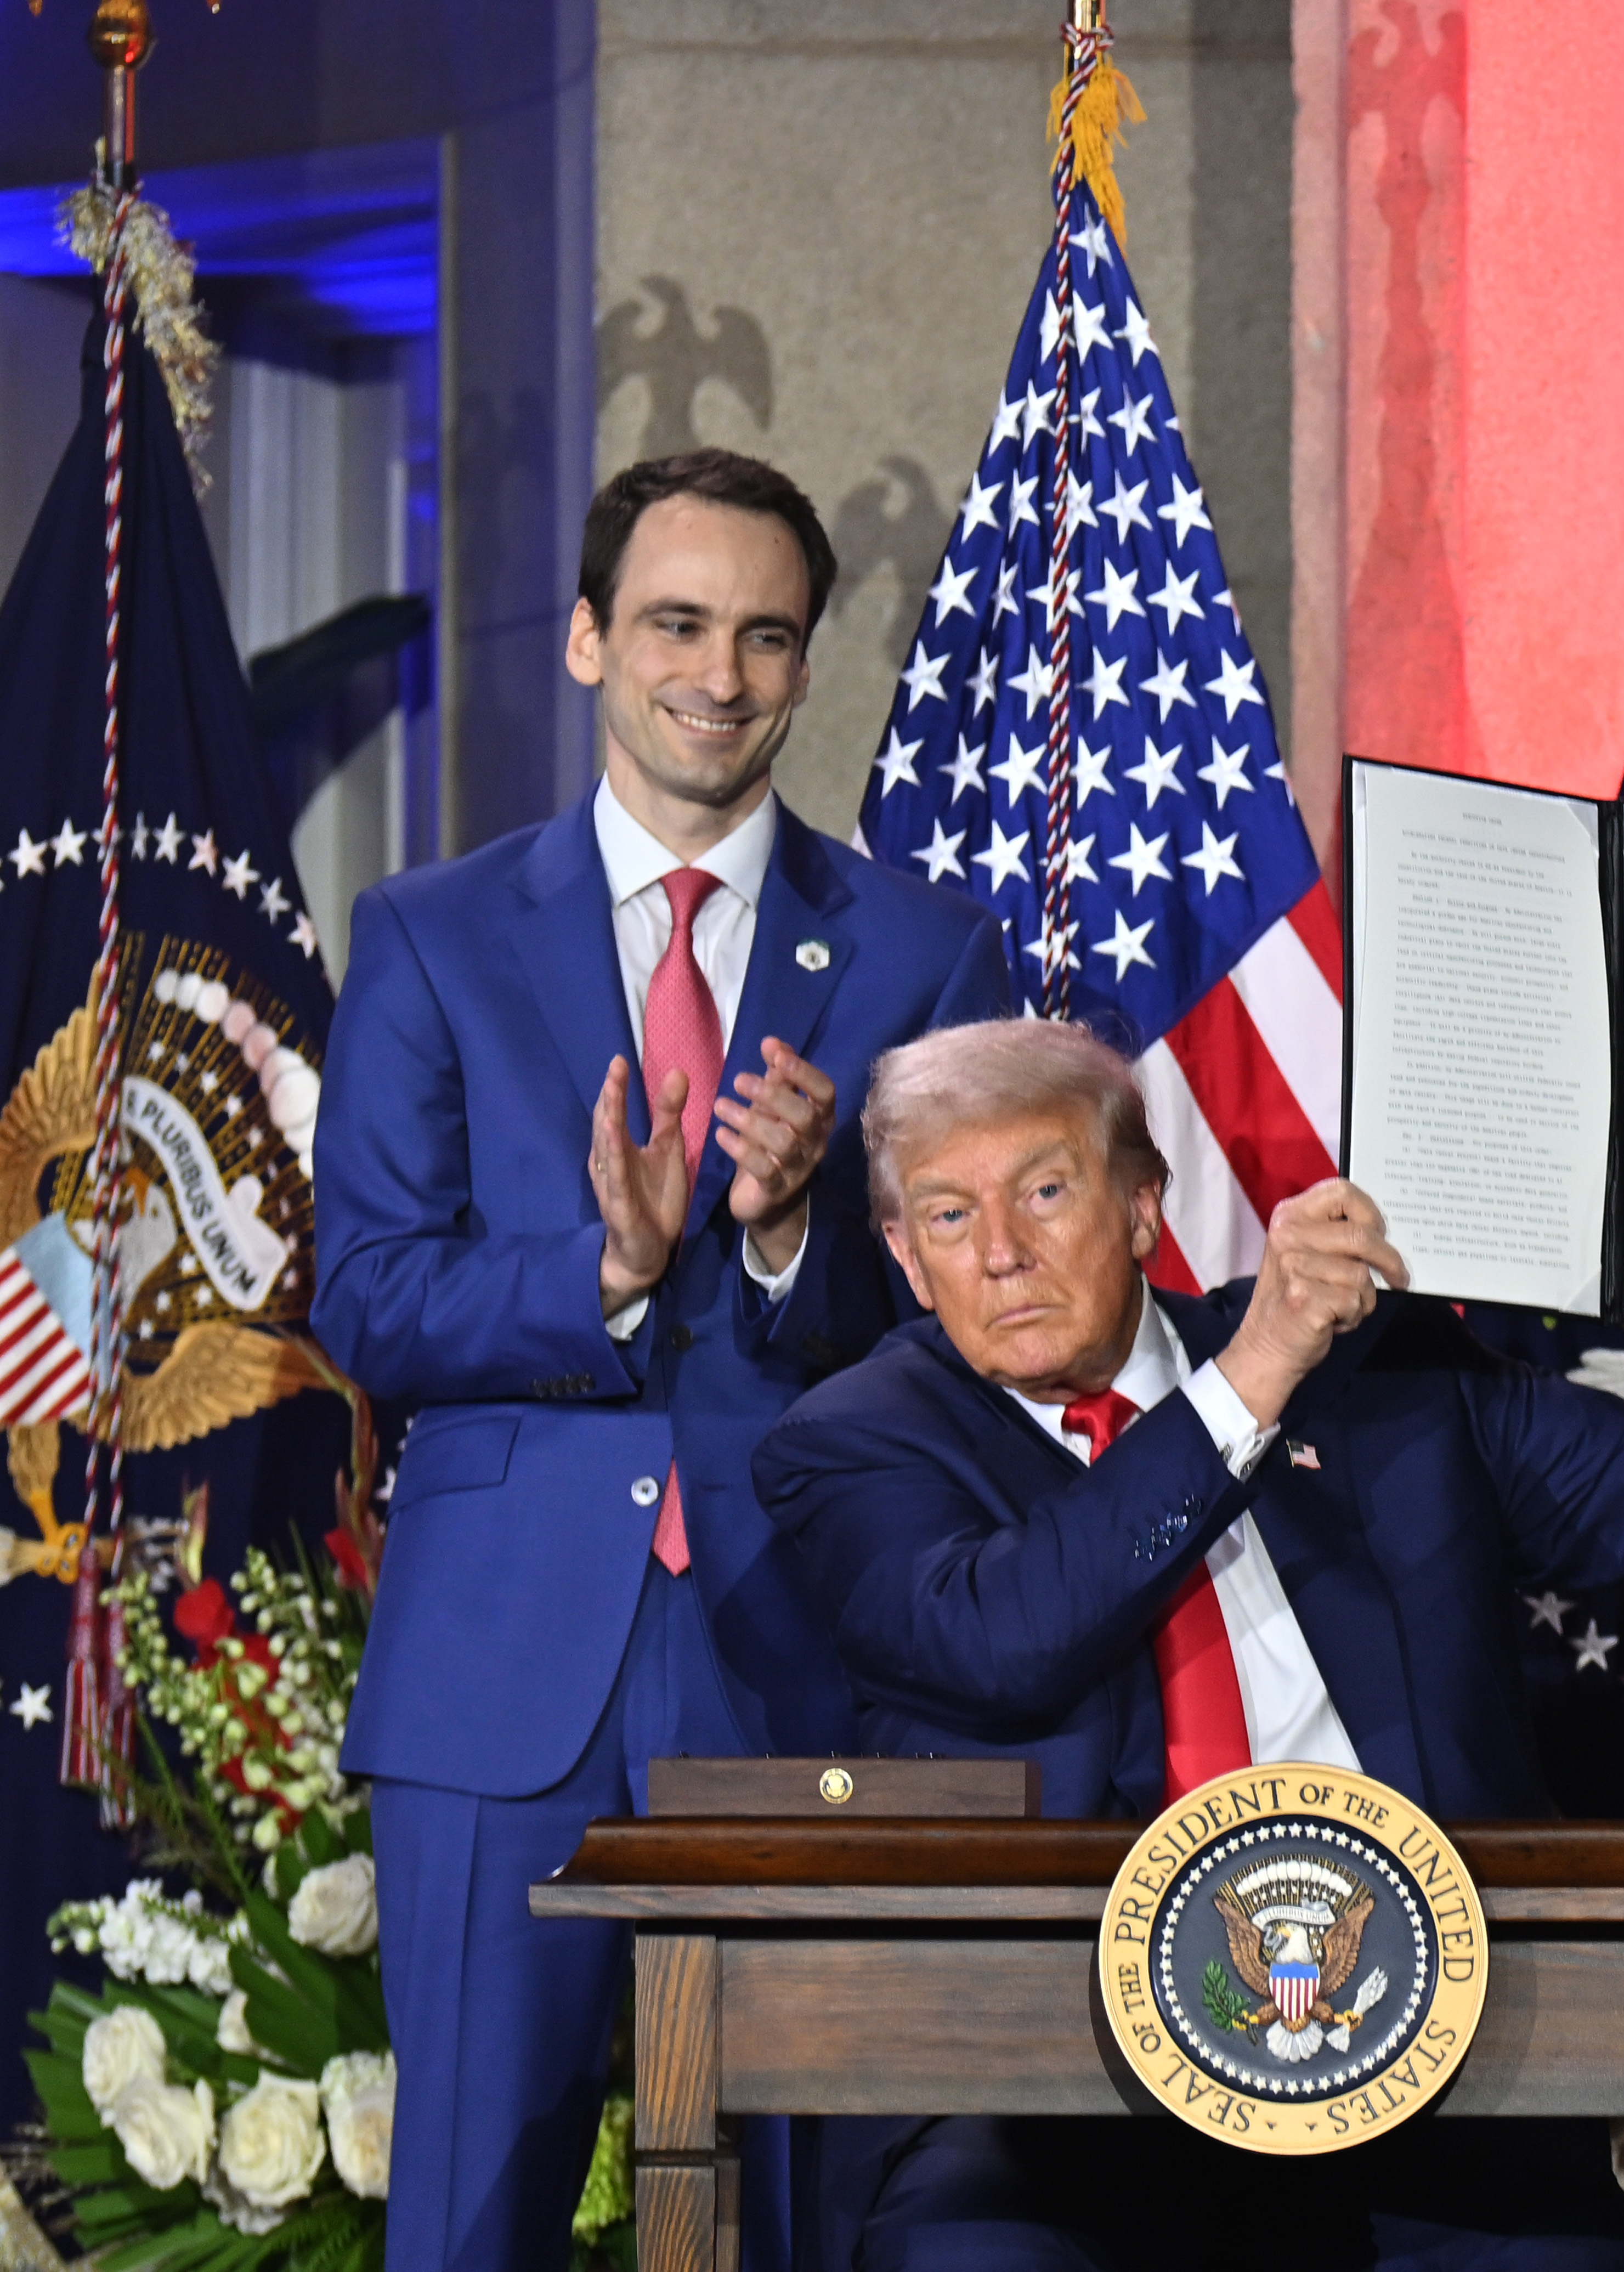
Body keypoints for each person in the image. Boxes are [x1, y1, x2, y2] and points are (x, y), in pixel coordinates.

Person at [751, 1016, 1624, 2270]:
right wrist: (1248, 1380)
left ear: (1144, 1207)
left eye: (1044, 1191)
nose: (1001, 1254)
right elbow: (1006, 1637)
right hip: (1055, 2101)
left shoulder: (1372, 1371)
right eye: (944, 1217)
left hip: (1428, 2061)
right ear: (905, 1262)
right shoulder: (856, 1440)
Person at [315, 449, 1015, 2271]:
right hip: (496, 1682)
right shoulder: (431, 933)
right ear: (584, 640)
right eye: (678, 623)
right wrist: (604, 1274)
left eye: (767, 636)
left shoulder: (927, 954)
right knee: (471, 2219)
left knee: (793, 2220)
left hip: (796, 1662)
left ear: (805, 666)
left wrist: (795, 1241)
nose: (720, 674)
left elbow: (993, 1337)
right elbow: (371, 1297)